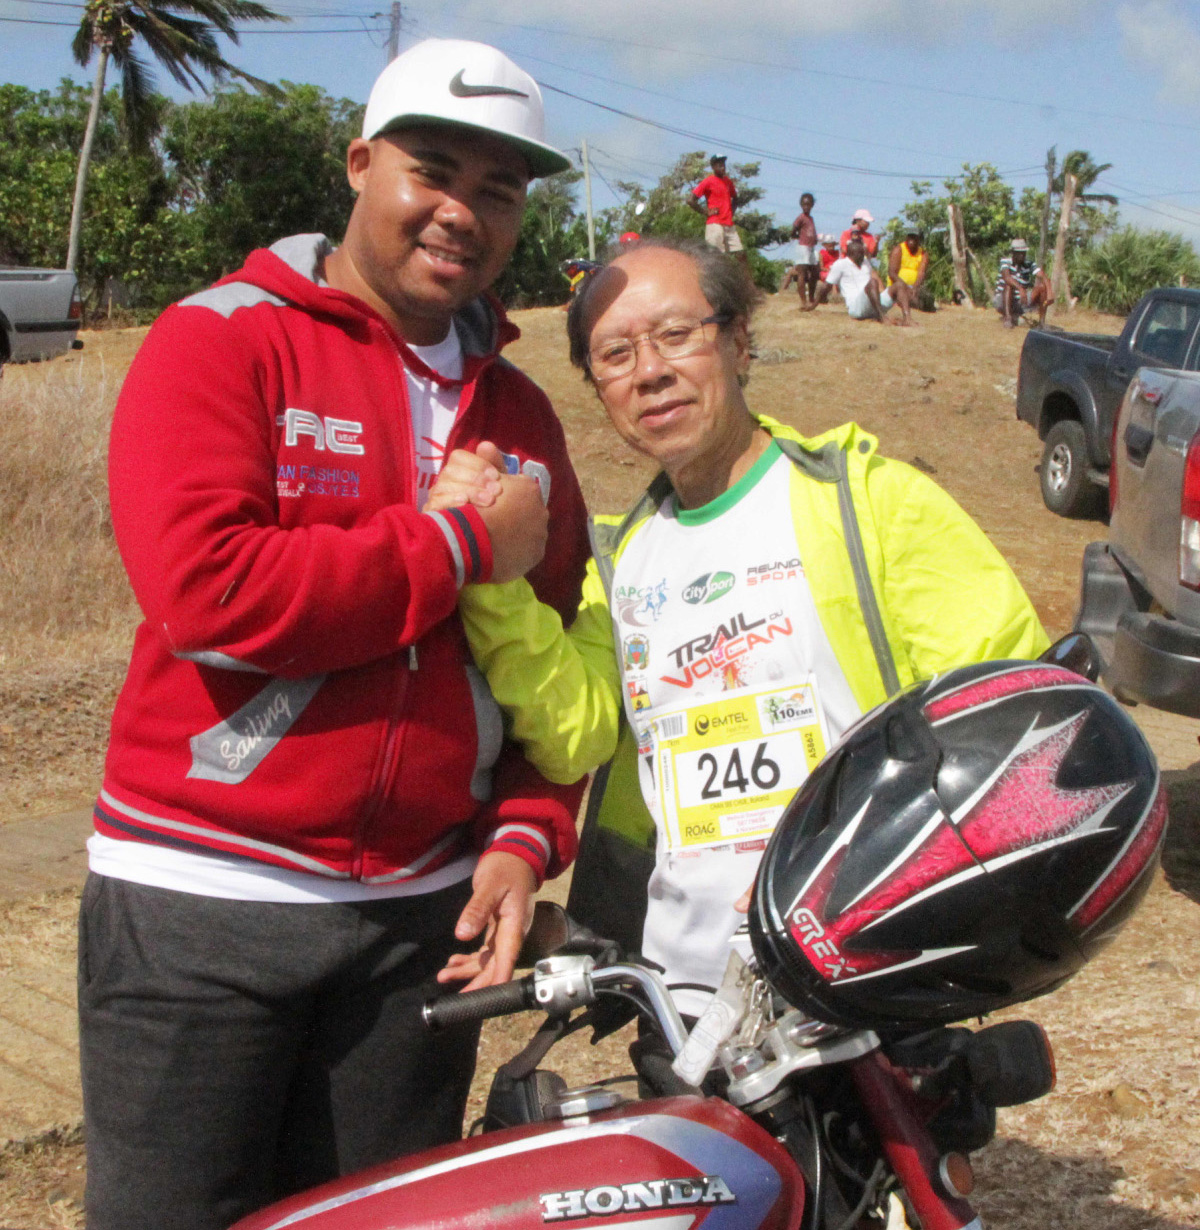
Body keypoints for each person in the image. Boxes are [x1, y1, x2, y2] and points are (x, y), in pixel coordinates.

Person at [79, 37, 591, 1230]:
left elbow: (556, 650)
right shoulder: (222, 338)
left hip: (422, 924)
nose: (462, 210)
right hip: (200, 905)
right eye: (434, 169)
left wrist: (524, 829)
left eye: (499, 190)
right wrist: (460, 545)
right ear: (361, 166)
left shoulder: (519, 411)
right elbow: (210, 595)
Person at [430, 237, 1049, 1020]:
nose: (650, 371)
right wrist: (489, 577)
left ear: (739, 340)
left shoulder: (871, 507)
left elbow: (1011, 715)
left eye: (677, 335)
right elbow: (574, 733)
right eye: (615, 354)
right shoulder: (622, 563)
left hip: (870, 990)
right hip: (686, 1007)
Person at [805, 237, 902, 322]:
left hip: (872, 304)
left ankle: (907, 318)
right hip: (856, 306)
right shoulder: (840, 264)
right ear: (851, 254)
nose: (862, 256)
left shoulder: (865, 262)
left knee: (899, 285)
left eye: (863, 253)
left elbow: (874, 276)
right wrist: (814, 304)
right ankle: (881, 317)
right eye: (860, 254)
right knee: (872, 282)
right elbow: (827, 285)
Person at [690, 155, 747, 265]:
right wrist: (705, 212)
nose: (723, 168)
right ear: (713, 167)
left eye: (723, 165)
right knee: (715, 255)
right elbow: (691, 200)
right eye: (719, 165)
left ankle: (746, 281)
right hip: (715, 223)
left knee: (740, 253)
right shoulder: (708, 181)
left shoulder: (728, 182)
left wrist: (731, 213)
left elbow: (735, 199)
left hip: (728, 224)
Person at [996, 237, 1051, 328]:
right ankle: (1008, 319)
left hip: (1021, 300)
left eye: (1023, 252)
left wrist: (1049, 291)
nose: (1022, 255)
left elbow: (1041, 275)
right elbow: (1007, 278)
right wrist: (1020, 288)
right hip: (1003, 300)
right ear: (1013, 253)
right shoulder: (1005, 262)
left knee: (1041, 287)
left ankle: (1042, 322)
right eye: (1019, 253)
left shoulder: (1029, 263)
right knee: (1009, 285)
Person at [780, 193, 819, 306]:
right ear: (801, 205)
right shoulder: (801, 217)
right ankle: (803, 301)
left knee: (814, 273)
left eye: (808, 204)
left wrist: (814, 239)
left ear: (812, 205)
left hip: (811, 248)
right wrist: (799, 237)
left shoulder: (811, 218)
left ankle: (811, 297)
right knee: (802, 273)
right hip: (803, 247)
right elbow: (793, 231)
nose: (806, 207)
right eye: (804, 204)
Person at [888, 228, 933, 313]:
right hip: (897, 286)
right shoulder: (898, 250)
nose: (911, 240)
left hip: (913, 288)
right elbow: (892, 273)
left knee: (925, 300)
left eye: (914, 237)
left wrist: (914, 287)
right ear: (906, 238)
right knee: (908, 298)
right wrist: (904, 286)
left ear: (919, 239)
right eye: (910, 237)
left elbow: (921, 273)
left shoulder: (923, 254)